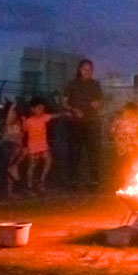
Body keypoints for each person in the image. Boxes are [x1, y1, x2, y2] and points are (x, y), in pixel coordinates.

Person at [62, 59, 104, 189]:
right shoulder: (72, 84)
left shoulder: (95, 84)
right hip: (75, 123)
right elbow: (63, 102)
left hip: (92, 122)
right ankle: (73, 180)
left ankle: (94, 180)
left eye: (90, 69)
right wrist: (73, 109)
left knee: (93, 152)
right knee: (74, 152)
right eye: (85, 69)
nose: (88, 72)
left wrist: (98, 104)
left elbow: (100, 101)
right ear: (80, 70)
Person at [24, 98, 60, 194]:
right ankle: (29, 186)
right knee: (32, 166)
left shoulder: (44, 117)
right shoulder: (28, 121)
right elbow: (24, 133)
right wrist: (25, 146)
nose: (41, 110)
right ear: (32, 109)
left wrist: (64, 113)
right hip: (33, 147)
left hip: (43, 146)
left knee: (49, 160)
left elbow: (54, 116)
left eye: (43, 108)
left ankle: (41, 180)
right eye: (39, 108)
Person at [0, 100, 27, 197]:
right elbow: (7, 121)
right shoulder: (5, 121)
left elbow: (25, 130)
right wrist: (11, 107)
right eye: (12, 112)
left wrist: (24, 121)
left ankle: (10, 192)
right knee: (17, 152)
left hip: (17, 148)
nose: (14, 114)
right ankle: (8, 192)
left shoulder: (19, 121)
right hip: (8, 146)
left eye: (15, 112)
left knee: (11, 169)